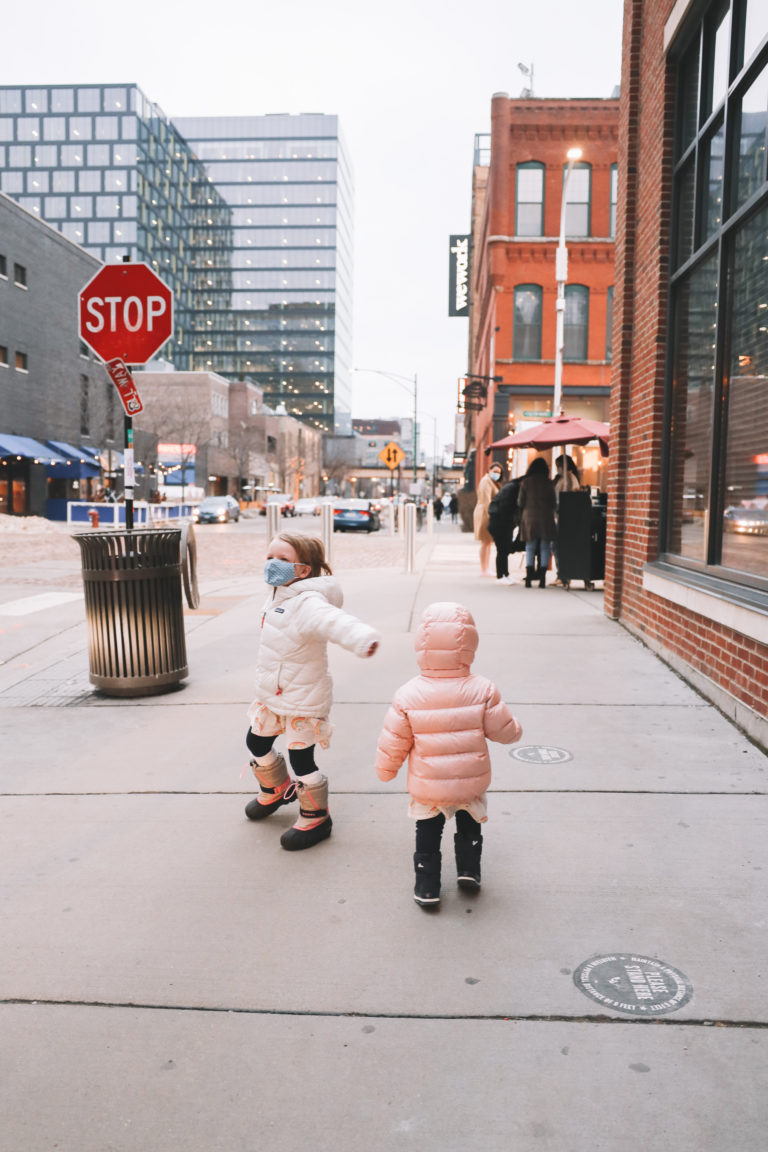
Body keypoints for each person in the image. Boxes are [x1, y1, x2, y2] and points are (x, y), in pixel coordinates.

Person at [375, 602, 522, 907]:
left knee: (427, 831)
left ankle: (427, 885)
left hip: (428, 786)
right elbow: (504, 730)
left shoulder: (408, 694)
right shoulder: (482, 689)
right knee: (469, 824)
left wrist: (386, 770)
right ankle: (469, 870)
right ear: (470, 645)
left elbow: (394, 741)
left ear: (422, 646)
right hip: (470, 783)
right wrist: (516, 729)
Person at [245, 533, 380, 850]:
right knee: (255, 741)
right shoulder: (279, 594)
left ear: (303, 571)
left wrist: (363, 638)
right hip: (274, 695)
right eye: (269, 557)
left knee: (301, 759)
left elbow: (336, 621)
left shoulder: (307, 602)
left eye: (281, 559)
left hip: (304, 700)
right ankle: (276, 789)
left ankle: (316, 815)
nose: (271, 565)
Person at [517, 456, 557, 588]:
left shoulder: (526, 483)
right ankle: (542, 579)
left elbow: (520, 502)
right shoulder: (549, 483)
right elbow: (553, 502)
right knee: (545, 548)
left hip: (529, 518)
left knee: (530, 547)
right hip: (546, 518)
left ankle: (528, 578)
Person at [487, 476, 522, 582]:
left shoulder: (510, 487)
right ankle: (501, 575)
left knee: (503, 550)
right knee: (502, 550)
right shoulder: (513, 490)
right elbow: (506, 507)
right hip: (501, 523)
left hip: (500, 522)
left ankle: (504, 574)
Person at [473, 462, 503, 574]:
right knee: (485, 542)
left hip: (487, 513)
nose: (496, 474)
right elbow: (486, 500)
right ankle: (484, 568)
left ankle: (486, 567)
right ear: (489, 470)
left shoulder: (491, 482)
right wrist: (492, 515)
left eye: (498, 472)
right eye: (494, 471)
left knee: (488, 542)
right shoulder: (486, 481)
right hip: (485, 514)